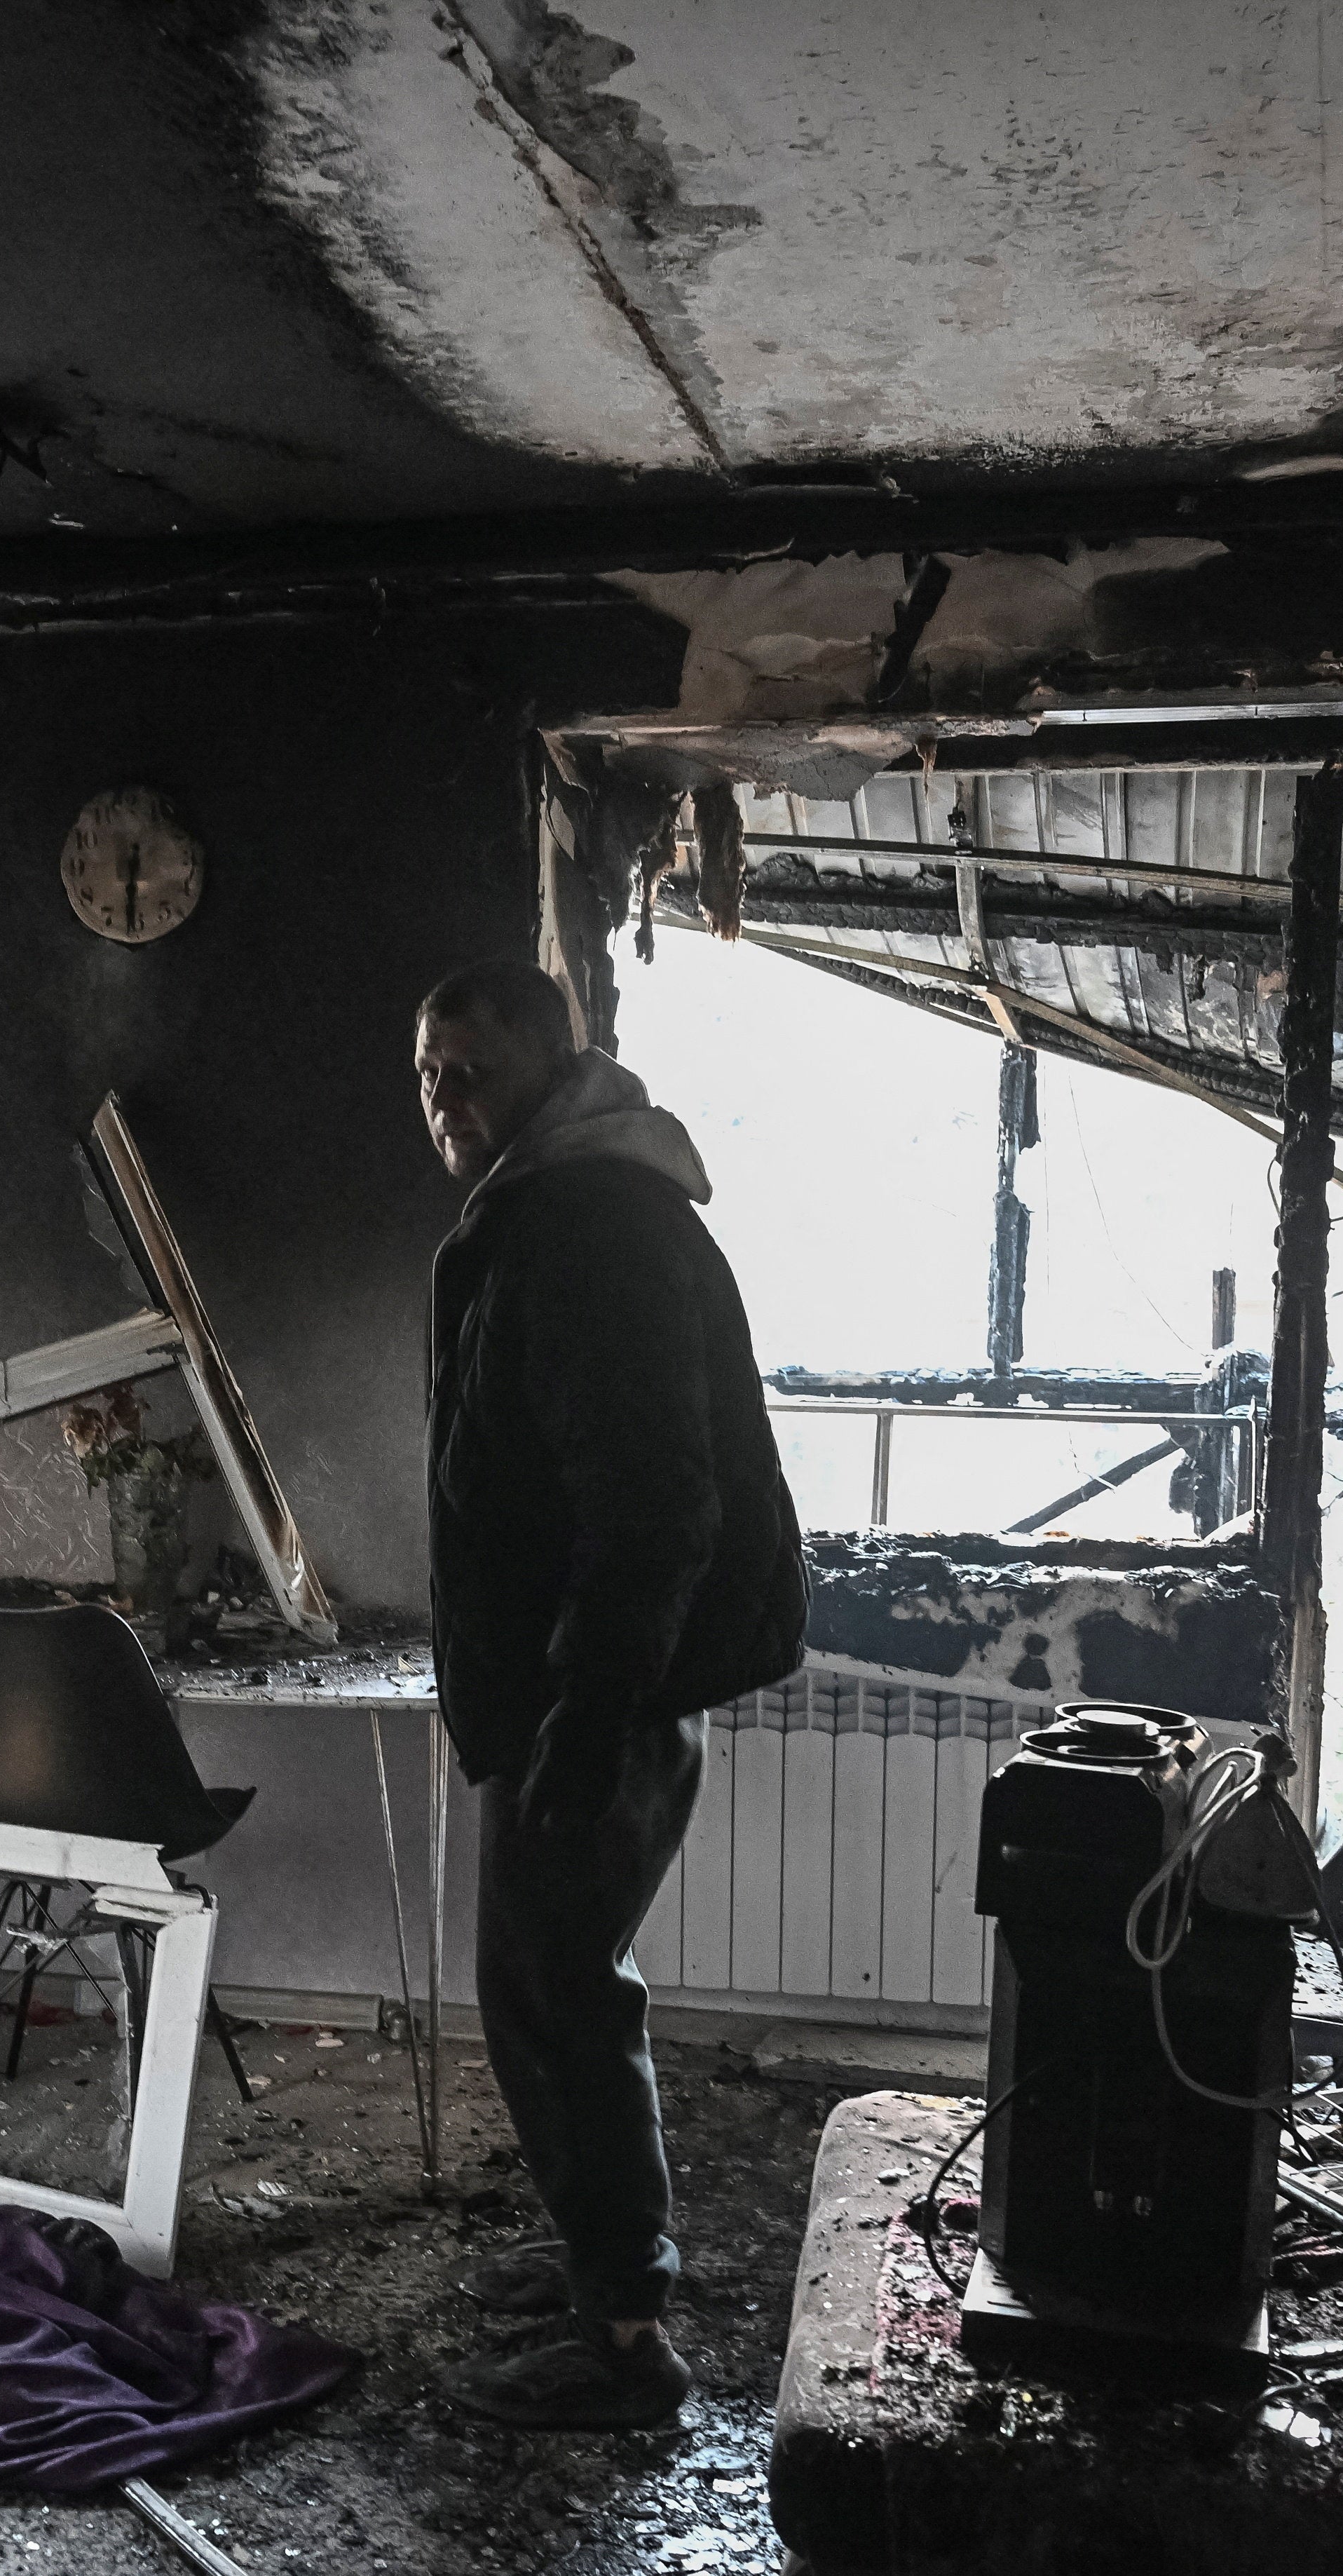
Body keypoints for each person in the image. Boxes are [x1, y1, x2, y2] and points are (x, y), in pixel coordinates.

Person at [411, 961, 805, 2429]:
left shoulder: (587, 1227)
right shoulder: (547, 1209)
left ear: (557, 1068)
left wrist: (584, 1709)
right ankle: (595, 2259)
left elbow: (651, 1503)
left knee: (560, 1995)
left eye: (473, 1069)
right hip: (578, 1679)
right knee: (542, 1989)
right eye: (429, 1074)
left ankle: (626, 2347)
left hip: (599, 1688)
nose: (445, 1098)